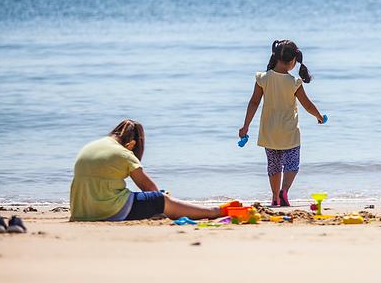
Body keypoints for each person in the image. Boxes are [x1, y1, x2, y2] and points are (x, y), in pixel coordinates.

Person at [69, 120, 238, 221]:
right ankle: (214, 212)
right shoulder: (124, 153)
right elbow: (149, 188)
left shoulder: (93, 145)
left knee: (150, 198)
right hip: (109, 210)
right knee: (159, 199)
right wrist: (162, 201)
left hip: (81, 210)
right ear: (132, 144)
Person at [238, 40, 325, 207]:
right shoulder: (294, 82)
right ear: (293, 61)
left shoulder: (262, 78)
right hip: (289, 133)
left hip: (269, 132)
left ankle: (275, 198)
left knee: (274, 166)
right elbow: (307, 105)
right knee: (292, 164)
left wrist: (246, 125)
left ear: (275, 57)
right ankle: (284, 191)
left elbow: (254, 102)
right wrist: (319, 116)